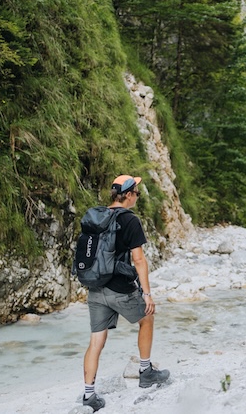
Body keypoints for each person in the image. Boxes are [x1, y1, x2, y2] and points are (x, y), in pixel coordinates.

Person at [82, 174, 170, 411]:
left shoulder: (98, 216)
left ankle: (89, 396)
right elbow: (139, 260)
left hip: (95, 288)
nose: (137, 197)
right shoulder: (130, 220)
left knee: (96, 340)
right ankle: (145, 371)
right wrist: (147, 294)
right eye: (137, 193)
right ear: (129, 195)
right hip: (119, 288)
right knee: (147, 317)